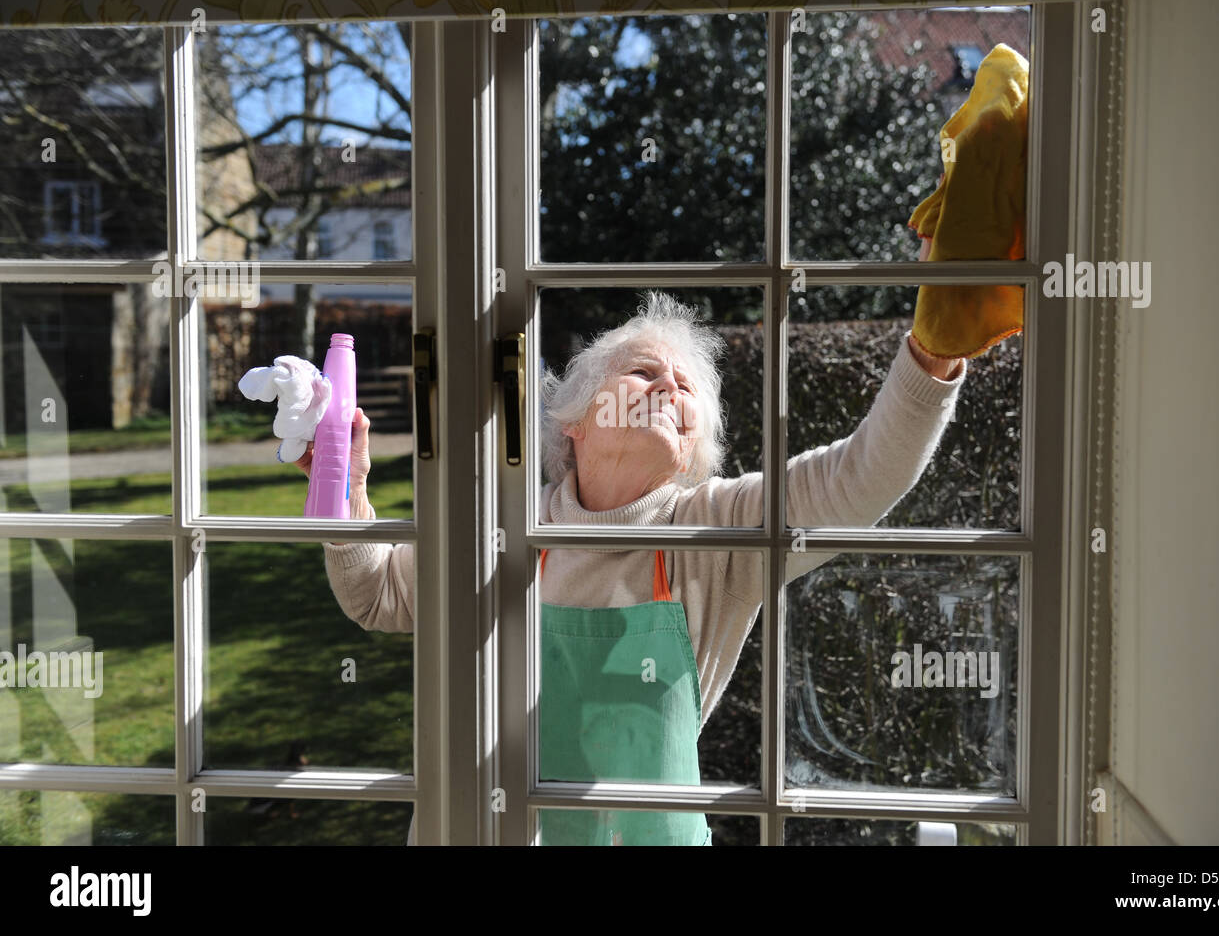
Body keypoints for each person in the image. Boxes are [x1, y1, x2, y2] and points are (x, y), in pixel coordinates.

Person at [297, 290, 966, 845]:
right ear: (577, 421)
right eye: (644, 373)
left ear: (690, 451)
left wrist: (932, 354)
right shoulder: (499, 527)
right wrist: (347, 489)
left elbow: (862, 476)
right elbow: (377, 594)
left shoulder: (713, 529)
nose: (670, 385)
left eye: (685, 389)